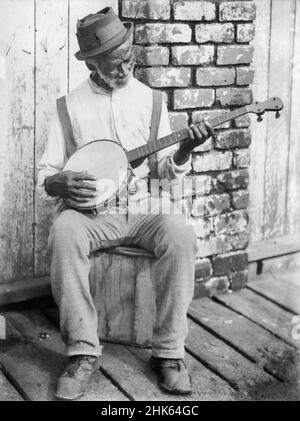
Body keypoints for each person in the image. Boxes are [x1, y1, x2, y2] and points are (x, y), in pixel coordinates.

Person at [37, 7, 213, 400]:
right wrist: (57, 182)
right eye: (113, 65)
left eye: (129, 58)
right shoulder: (69, 106)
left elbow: (166, 173)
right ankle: (82, 352)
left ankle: (168, 353)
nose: (125, 69)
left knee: (180, 233)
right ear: (92, 64)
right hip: (92, 213)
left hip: (144, 205)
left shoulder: (152, 102)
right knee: (63, 234)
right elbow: (45, 174)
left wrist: (183, 152)